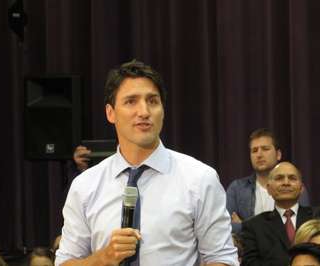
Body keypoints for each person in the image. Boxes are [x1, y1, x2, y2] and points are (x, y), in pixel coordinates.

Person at [55, 60, 238, 266]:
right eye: (131, 101)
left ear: (163, 110)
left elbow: (221, 258)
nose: (144, 111)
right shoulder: (85, 186)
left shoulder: (199, 178)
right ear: (110, 113)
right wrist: (102, 258)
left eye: (152, 101)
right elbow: (65, 263)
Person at [226, 128, 310, 232]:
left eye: (265, 149)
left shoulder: (293, 187)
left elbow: (303, 229)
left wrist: (244, 225)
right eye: (254, 150)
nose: (259, 155)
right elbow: (225, 227)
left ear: (278, 154)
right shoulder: (237, 189)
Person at [240, 161, 314, 266]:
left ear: (301, 188)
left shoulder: (318, 218)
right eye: (279, 178)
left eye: (292, 178)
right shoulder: (253, 226)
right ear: (269, 189)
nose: (286, 183)